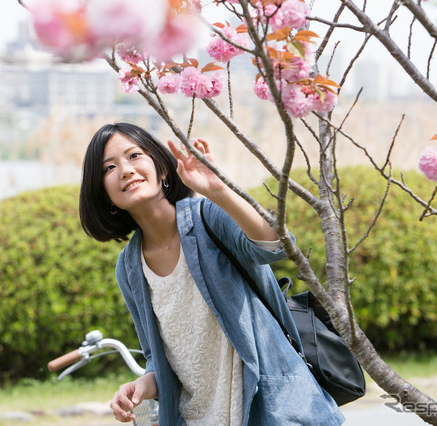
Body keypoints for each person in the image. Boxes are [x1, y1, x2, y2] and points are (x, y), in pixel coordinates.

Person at [79, 122, 345, 425]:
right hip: (200, 418)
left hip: (273, 408)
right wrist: (139, 386)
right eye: (108, 168)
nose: (125, 170)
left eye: (134, 155)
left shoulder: (207, 217)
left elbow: (276, 246)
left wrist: (219, 191)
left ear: (163, 169)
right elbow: (157, 358)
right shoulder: (128, 268)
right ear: (104, 193)